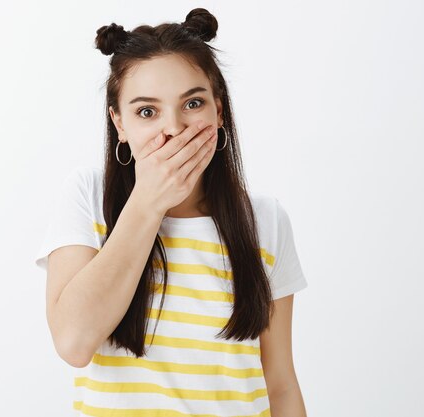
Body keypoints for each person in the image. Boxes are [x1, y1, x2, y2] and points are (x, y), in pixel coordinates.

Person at [35, 7, 309, 416]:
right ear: (120, 124)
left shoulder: (264, 221)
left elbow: (281, 384)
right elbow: (73, 342)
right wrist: (148, 201)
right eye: (147, 111)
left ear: (219, 112)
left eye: (193, 103)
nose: (174, 128)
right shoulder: (88, 196)